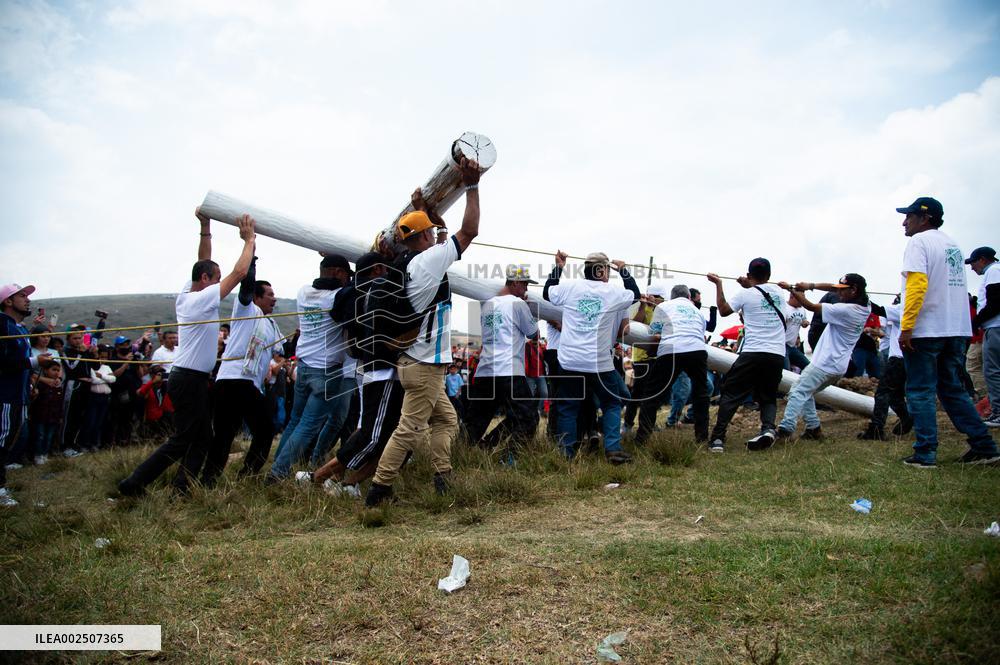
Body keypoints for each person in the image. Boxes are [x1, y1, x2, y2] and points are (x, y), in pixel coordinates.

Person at [365, 158, 481, 506]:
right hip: (426, 364)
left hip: (414, 361)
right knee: (410, 428)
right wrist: (472, 186)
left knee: (446, 419)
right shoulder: (429, 262)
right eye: (430, 230)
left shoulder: (411, 263)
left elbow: (445, 237)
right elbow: (468, 232)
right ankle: (379, 490)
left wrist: (421, 209)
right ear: (422, 237)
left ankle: (443, 477)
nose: (435, 234)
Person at [118, 210, 256, 495]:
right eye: (216, 278)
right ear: (206, 280)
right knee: (184, 438)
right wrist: (249, 240)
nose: (220, 283)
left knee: (202, 437)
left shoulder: (189, 292)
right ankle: (134, 483)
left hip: (188, 377)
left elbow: (200, 262)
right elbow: (240, 273)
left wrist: (205, 228)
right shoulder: (202, 300)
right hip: (189, 379)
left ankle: (182, 488)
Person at [894, 197, 999, 467]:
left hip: (928, 329)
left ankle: (925, 452)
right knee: (952, 390)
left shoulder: (919, 242)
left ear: (925, 218)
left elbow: (917, 286)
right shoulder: (952, 244)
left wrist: (907, 327)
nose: (904, 222)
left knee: (919, 390)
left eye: (910, 216)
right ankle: (984, 447)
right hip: (956, 329)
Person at [542, 250, 641, 463]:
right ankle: (612, 449)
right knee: (612, 402)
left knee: (569, 406)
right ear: (603, 270)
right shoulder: (612, 292)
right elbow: (635, 294)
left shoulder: (571, 287)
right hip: (599, 361)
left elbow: (547, 292)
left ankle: (566, 454)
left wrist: (559, 267)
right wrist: (624, 270)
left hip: (570, 359)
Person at [267, 253, 354, 482]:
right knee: (307, 426)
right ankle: (277, 474)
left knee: (295, 421)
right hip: (326, 371)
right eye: (346, 275)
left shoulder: (303, 292)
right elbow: (356, 289)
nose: (347, 280)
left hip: (304, 366)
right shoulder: (336, 298)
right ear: (337, 273)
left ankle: (278, 463)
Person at [764, 275, 871, 448]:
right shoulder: (865, 305)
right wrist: (810, 284)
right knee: (806, 393)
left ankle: (785, 430)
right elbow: (832, 287)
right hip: (837, 366)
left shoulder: (846, 310)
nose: (839, 293)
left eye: (843, 290)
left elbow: (811, 306)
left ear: (854, 290)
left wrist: (792, 290)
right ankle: (813, 428)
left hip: (825, 363)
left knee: (797, 391)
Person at [201, 260, 282, 487]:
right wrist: (251, 263)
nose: (274, 298)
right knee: (263, 430)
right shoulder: (247, 308)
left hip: (247, 383)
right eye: (270, 294)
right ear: (257, 298)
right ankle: (245, 476)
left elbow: (280, 352)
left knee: (227, 435)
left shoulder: (271, 324)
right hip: (235, 380)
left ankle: (211, 480)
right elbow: (245, 290)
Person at [705, 258, 788, 452]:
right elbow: (760, 290)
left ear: (749, 275)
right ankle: (768, 429)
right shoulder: (779, 293)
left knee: (731, 393)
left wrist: (718, 284)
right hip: (776, 354)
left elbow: (724, 310)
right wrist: (750, 283)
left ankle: (717, 439)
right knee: (767, 395)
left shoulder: (745, 294)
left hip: (753, 352)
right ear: (769, 275)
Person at [464, 267, 540, 455]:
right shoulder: (517, 304)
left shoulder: (487, 304)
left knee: (476, 419)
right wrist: (529, 311)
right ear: (514, 283)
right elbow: (534, 334)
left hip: (485, 370)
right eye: (524, 284)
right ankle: (509, 457)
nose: (526, 289)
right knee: (528, 416)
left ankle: (464, 452)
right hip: (509, 369)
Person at [1, 283, 54, 506]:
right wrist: (35, 361)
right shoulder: (2, 325)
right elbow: (3, 362)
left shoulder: (20, 329)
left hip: (18, 395)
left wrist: (29, 387)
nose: (28, 299)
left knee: (10, 440)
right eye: (22, 295)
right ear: (8, 301)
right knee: (1, 441)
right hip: (4, 396)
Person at [635, 285, 709, 445]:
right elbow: (701, 337)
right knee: (701, 395)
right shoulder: (697, 312)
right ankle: (702, 438)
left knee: (652, 395)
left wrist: (652, 352)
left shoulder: (664, 307)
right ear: (689, 297)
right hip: (696, 350)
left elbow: (654, 335)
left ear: (672, 296)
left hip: (671, 349)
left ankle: (642, 438)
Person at [859, 296, 912, 440]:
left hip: (898, 358)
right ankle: (907, 418)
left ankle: (876, 429)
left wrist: (860, 296)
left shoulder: (902, 308)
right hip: (913, 357)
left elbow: (878, 309)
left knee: (883, 393)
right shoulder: (923, 309)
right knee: (897, 395)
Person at [622, 284, 667, 435]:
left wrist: (656, 307)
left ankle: (648, 424)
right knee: (636, 394)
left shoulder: (662, 311)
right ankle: (628, 424)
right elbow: (634, 324)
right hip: (641, 358)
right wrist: (643, 305)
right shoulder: (639, 306)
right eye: (658, 298)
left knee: (653, 394)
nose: (659, 301)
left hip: (657, 357)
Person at [967, 246, 1000, 426]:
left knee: (993, 371)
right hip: (995, 327)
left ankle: (998, 412)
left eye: (973, 263)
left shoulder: (994, 271)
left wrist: (976, 321)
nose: (972, 267)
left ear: (982, 259)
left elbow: (995, 302)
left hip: (995, 327)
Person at [80, 344, 115, 452]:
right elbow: (94, 380)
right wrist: (106, 378)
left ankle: (95, 443)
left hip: (104, 397)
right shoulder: (92, 366)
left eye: (105, 357)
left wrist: (102, 376)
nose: (103, 359)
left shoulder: (107, 367)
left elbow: (113, 379)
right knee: (91, 421)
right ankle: (85, 443)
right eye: (101, 357)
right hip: (94, 396)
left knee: (99, 422)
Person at [29, 362, 64, 465]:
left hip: (53, 417)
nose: (56, 372)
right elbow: (34, 401)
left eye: (58, 370)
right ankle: (37, 455)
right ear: (45, 370)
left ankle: (44, 454)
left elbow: (60, 403)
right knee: (39, 435)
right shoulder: (40, 384)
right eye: (53, 370)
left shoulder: (58, 386)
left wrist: (60, 416)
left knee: (49, 436)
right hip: (40, 415)